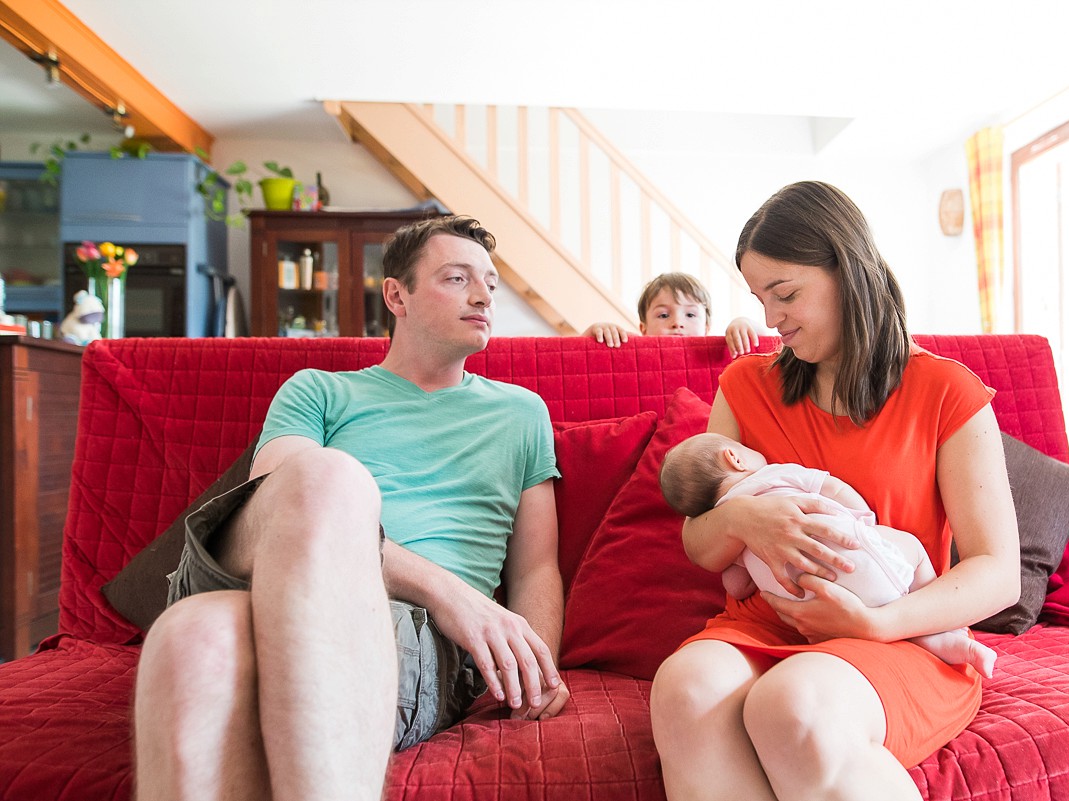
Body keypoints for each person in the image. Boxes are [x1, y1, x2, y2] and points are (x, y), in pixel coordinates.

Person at [133, 215, 571, 801]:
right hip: (261, 576)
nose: (482, 295)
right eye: (457, 277)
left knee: (193, 639)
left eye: (490, 283)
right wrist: (455, 594)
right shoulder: (318, 389)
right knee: (325, 477)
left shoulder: (521, 413)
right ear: (397, 295)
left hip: (410, 631)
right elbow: (273, 505)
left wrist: (533, 670)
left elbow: (536, 566)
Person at [649, 181, 1019, 801]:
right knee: (684, 688)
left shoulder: (947, 392)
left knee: (792, 706)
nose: (771, 318)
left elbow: (998, 570)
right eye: (759, 298)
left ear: (848, 269)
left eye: (785, 293)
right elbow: (700, 542)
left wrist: (876, 623)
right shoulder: (746, 384)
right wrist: (745, 520)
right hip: (768, 622)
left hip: (898, 631)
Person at [658, 432, 997, 678]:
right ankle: (944, 628)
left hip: (813, 613)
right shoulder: (774, 474)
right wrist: (863, 522)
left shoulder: (726, 535)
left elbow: (736, 587)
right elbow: (832, 488)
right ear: (734, 458)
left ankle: (935, 642)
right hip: (860, 560)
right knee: (914, 550)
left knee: (871, 608)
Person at [584, 271, 764, 357]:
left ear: (706, 328)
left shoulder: (719, 349)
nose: (677, 323)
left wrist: (744, 323)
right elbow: (580, 356)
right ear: (643, 329)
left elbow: (768, 348)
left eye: (690, 315)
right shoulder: (633, 346)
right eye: (663, 315)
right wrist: (597, 331)